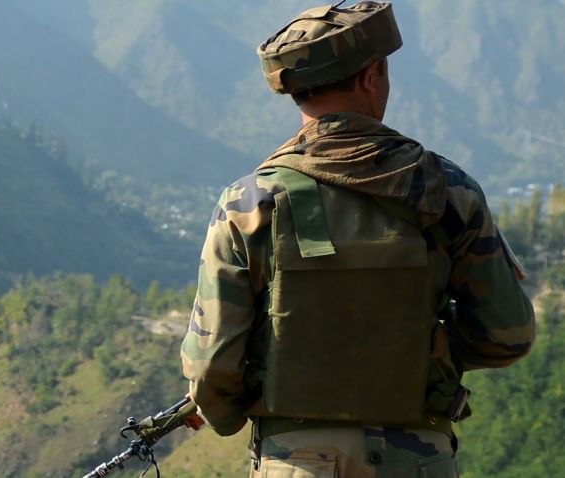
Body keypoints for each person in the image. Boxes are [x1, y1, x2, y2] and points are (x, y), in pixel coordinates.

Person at [180, 2, 536, 477]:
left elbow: (211, 368)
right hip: (420, 458)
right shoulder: (449, 190)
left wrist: (237, 414)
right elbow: (507, 335)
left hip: (295, 463)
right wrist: (417, 352)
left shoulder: (248, 202)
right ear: (371, 77)